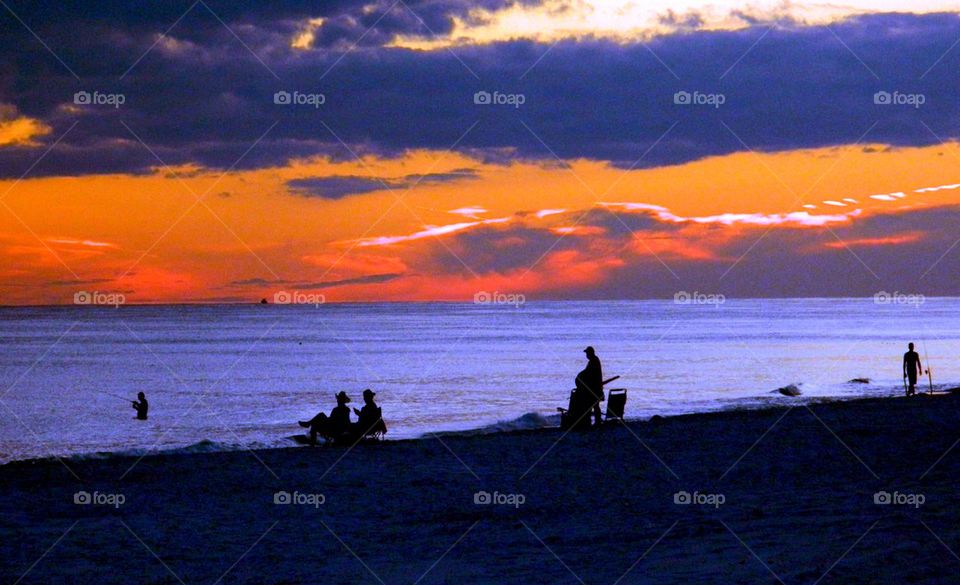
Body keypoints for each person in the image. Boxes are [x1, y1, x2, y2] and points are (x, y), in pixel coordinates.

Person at [575, 346, 604, 427]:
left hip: (594, 388)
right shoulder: (593, 360)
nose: (586, 355)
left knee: (593, 405)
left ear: (590, 353)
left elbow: (589, 373)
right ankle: (595, 421)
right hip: (594, 387)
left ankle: (595, 421)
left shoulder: (593, 361)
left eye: (587, 353)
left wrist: (580, 377)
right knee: (594, 405)